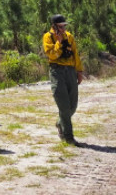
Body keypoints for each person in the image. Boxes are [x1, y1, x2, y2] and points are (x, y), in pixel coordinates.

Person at [42, 14, 84, 145]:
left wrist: (79, 71)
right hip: (57, 71)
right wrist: (59, 43)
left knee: (73, 105)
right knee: (64, 106)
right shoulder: (48, 37)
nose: (63, 29)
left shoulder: (69, 36)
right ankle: (69, 137)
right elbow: (52, 55)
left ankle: (60, 123)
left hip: (70, 71)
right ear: (54, 26)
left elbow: (75, 54)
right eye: (60, 26)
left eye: (64, 26)